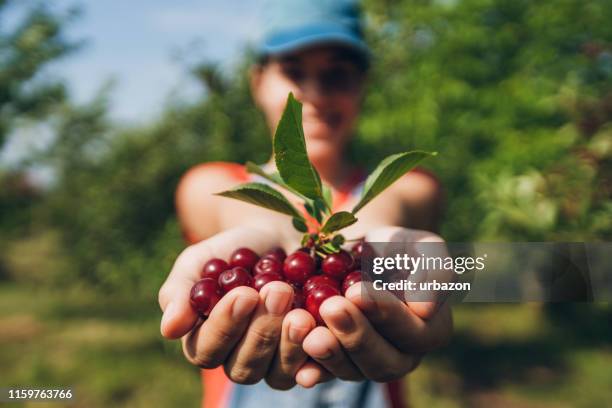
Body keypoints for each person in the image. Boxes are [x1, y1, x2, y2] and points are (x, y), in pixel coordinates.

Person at [158, 1, 453, 406]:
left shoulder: (409, 185)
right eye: (294, 72)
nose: (313, 96)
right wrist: (264, 233)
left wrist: (367, 242)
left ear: (362, 86)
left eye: (337, 76)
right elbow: (237, 211)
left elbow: (391, 208)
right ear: (257, 81)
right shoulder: (212, 181)